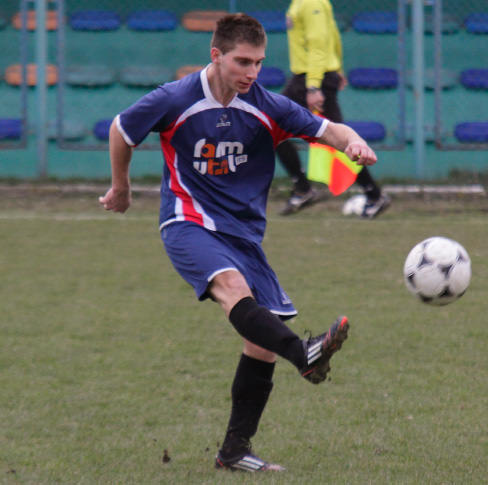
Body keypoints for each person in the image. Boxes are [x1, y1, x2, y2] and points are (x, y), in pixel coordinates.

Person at [99, 13, 378, 471]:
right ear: (216, 55)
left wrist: (354, 143)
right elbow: (121, 129)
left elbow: (330, 131)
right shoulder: (177, 98)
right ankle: (304, 353)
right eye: (242, 62)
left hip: (244, 234)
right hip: (187, 222)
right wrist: (122, 188)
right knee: (234, 291)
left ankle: (233, 451)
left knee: (259, 342)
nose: (251, 72)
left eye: (259, 63)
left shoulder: (266, 105)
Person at [275, 0, 391, 218]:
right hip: (311, 77)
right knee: (332, 138)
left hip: (310, 78)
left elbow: (320, 42)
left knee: (334, 138)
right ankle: (371, 194)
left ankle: (304, 188)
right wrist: (337, 70)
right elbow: (334, 36)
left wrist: (314, 85)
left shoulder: (310, 3)